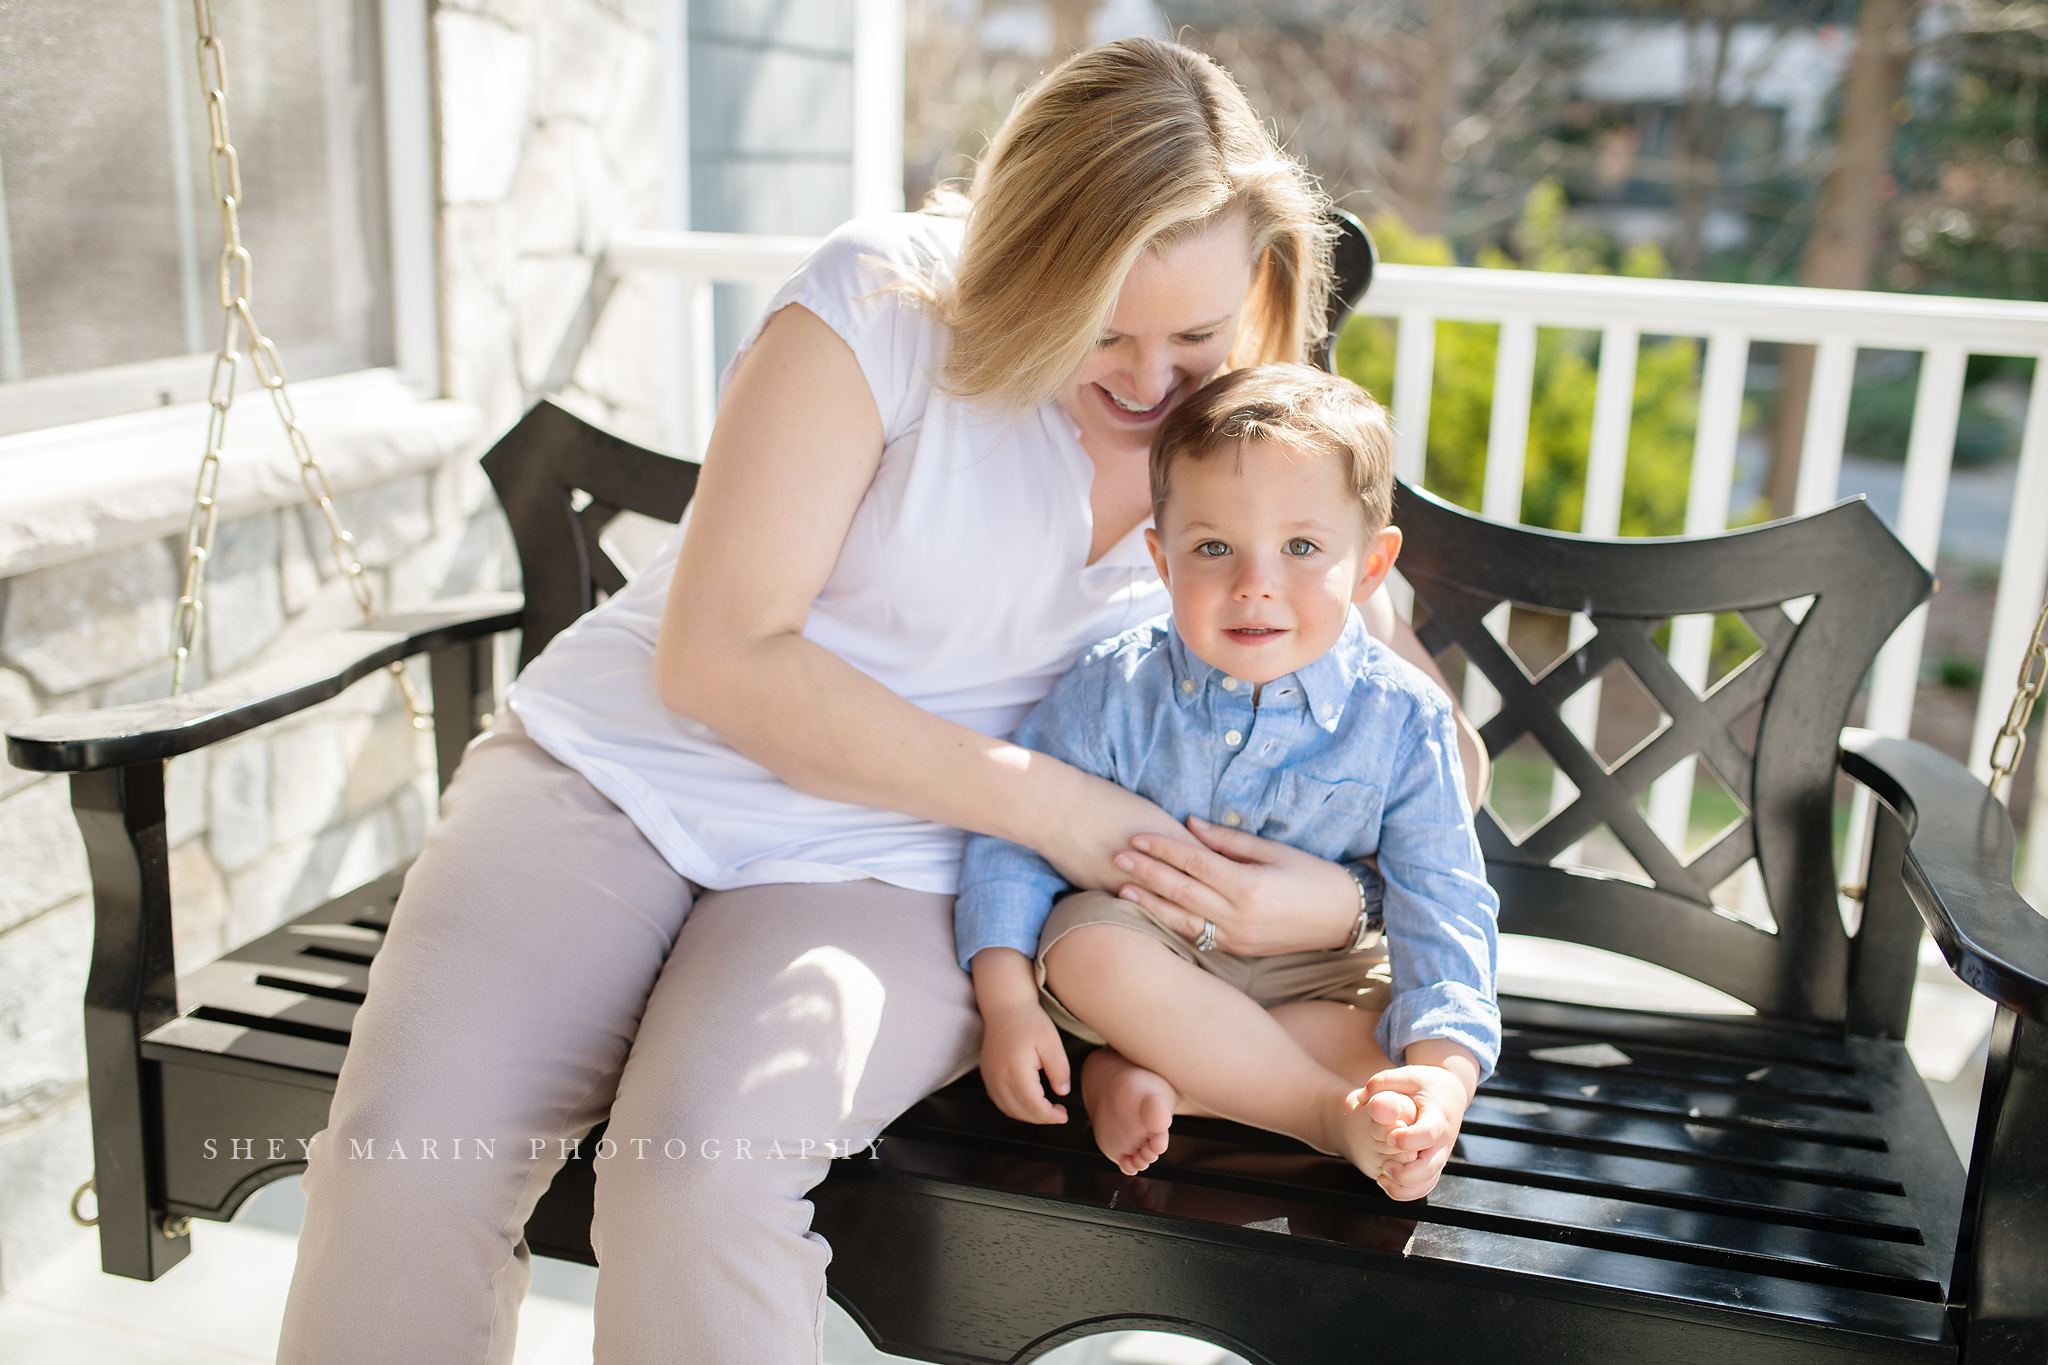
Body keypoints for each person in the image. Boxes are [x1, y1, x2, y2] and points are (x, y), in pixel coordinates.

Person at [279, 36, 1482, 1365]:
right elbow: (720, 657)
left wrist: (1348, 895)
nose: (1147, 381)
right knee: (405, 1158)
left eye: (1191, 337)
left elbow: (1427, 754)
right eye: (1103, 327)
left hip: (902, 866)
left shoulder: (1261, 438)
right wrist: (1064, 810)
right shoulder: (881, 304)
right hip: (621, 777)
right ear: (1024, 262)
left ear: (1257, 285)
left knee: (699, 1181)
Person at [956, 365, 1498, 1199]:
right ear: (1162, 561)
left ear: (1370, 566)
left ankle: (1158, 1078)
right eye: (1213, 547)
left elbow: (1444, 899)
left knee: (1393, 1054)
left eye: (1302, 547)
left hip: (1318, 974)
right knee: (1085, 944)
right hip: (1152, 961)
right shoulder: (1112, 689)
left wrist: (1444, 1077)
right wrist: (1007, 1005)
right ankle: (1320, 1111)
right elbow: (1011, 838)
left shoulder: (1405, 717)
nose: (1255, 581)